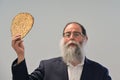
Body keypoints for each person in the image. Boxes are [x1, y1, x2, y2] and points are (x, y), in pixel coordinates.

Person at [11, 22, 112, 80]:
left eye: (76, 34)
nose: (71, 38)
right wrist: (20, 55)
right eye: (67, 35)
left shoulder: (100, 72)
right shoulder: (47, 67)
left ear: (85, 39)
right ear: (63, 39)